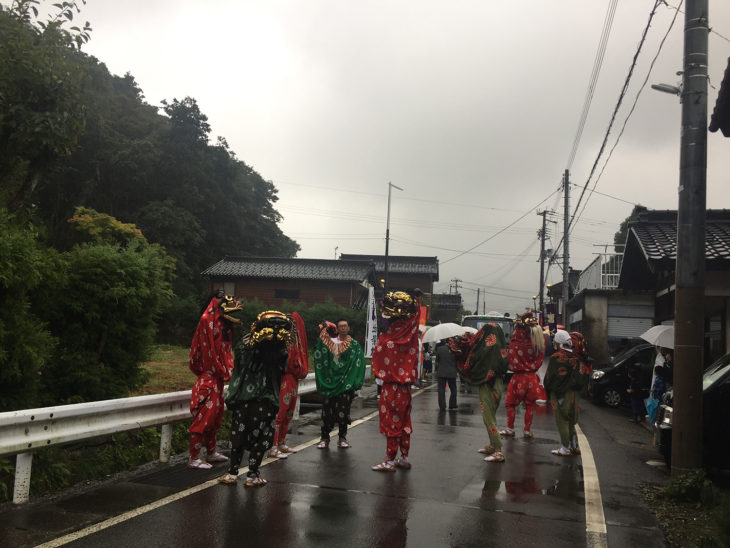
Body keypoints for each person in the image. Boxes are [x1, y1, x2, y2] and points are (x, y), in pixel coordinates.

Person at [218, 310, 295, 487]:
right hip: (261, 399)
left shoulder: (268, 347)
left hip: (251, 399)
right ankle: (251, 474)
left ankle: (234, 473)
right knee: (256, 436)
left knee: (243, 435)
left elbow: (278, 368)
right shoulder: (263, 346)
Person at [187, 291, 242, 469]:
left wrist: (227, 372)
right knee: (202, 421)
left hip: (217, 382)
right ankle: (194, 458)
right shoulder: (207, 322)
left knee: (214, 420)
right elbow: (205, 354)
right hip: (208, 381)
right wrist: (220, 370)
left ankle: (211, 453)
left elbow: (226, 352)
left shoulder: (222, 326)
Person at [371, 290, 422, 472]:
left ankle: (390, 460)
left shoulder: (389, 337)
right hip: (406, 388)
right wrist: (417, 301)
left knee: (391, 423)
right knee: (404, 422)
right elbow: (416, 319)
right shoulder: (410, 335)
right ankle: (404, 457)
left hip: (391, 387)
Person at [449, 322, 509, 463]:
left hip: (488, 384)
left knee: (488, 417)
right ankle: (493, 445)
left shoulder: (485, 350)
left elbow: (473, 360)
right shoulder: (500, 349)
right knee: (490, 415)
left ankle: (498, 450)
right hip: (498, 383)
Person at [314, 319, 366, 449]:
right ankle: (324, 438)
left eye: (345, 326)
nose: (343, 328)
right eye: (340, 326)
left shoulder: (354, 345)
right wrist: (323, 333)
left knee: (343, 411)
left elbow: (359, 363)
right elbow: (321, 354)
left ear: (348, 328)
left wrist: (355, 380)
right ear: (337, 329)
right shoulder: (329, 343)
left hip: (346, 384)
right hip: (330, 383)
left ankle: (342, 437)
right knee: (327, 412)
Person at [543, 330, 592, 456]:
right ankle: (575, 446)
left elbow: (549, 378)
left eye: (555, 342)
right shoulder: (577, 358)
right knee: (571, 421)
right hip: (574, 394)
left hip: (559, 393)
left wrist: (548, 392)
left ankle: (565, 448)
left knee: (562, 420)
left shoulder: (556, 357)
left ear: (559, 343)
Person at [268, 312, 309, 459]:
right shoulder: (280, 341)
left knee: (289, 412)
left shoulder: (295, 342)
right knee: (280, 411)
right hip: (284, 378)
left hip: (293, 379)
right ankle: (273, 446)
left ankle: (282, 442)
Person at [500, 312, 545, 438]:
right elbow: (540, 360)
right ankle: (526, 430)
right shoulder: (539, 343)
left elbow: (510, 355)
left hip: (518, 377)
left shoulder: (516, 342)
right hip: (532, 378)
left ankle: (510, 428)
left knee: (510, 404)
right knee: (530, 405)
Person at [435, 339, 458, 411]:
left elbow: (437, 360)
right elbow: (457, 360)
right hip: (452, 372)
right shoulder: (455, 349)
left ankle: (442, 406)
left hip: (441, 372)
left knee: (441, 389)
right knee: (453, 389)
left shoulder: (439, 349)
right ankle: (452, 404)